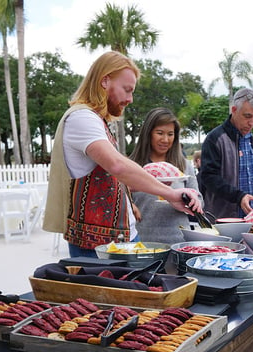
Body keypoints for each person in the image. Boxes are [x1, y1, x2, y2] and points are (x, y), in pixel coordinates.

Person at [42, 51, 200, 258]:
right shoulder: (82, 118)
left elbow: (108, 179)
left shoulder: (96, 121)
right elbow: (117, 166)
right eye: (127, 90)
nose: (130, 99)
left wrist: (136, 194)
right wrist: (171, 194)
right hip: (99, 245)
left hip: (119, 239)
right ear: (105, 81)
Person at [129, 107, 202, 244]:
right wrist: (130, 205)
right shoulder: (133, 166)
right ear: (148, 133)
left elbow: (198, 199)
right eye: (160, 133)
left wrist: (193, 201)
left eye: (170, 134)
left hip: (179, 241)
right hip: (142, 242)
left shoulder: (184, 166)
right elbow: (121, 199)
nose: (165, 139)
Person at [200, 87, 253, 219]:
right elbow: (209, 178)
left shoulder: (250, 137)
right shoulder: (215, 138)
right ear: (234, 110)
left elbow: (250, 174)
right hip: (223, 218)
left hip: (252, 216)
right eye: (247, 116)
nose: (252, 123)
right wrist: (239, 196)